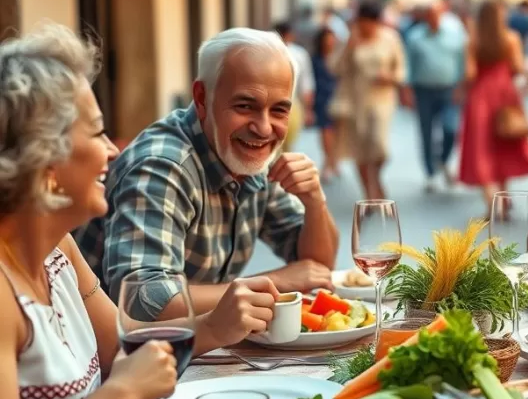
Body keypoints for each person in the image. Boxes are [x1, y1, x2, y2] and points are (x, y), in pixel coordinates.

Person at [0, 25, 288, 399]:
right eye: (95, 133)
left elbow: (123, 347)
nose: (113, 151)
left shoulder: (57, 252)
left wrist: (216, 329)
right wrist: (119, 396)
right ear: (44, 160)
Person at [75, 27, 340, 321]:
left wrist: (315, 200)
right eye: (245, 106)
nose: (264, 128)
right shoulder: (163, 166)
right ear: (202, 98)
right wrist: (275, 282)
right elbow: (141, 300)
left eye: (278, 110)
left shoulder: (248, 153)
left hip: (187, 348)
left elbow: (316, 268)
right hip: (107, 359)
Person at [458, 0, 528, 215]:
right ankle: (502, 199)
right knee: (503, 147)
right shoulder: (511, 38)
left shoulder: (473, 41)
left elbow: (469, 74)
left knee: (480, 150)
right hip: (505, 94)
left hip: (480, 98)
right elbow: (518, 68)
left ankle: (493, 205)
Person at [329, 0, 408, 199]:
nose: (366, 27)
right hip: (355, 100)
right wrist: (348, 48)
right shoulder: (349, 40)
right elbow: (334, 68)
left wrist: (389, 78)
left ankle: (375, 179)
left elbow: (401, 71)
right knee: (361, 150)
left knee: (379, 148)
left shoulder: (390, 39)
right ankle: (369, 194)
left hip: (382, 100)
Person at [406, 3, 468, 191]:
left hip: (449, 89)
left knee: (451, 128)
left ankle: (442, 159)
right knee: (426, 132)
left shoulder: (455, 34)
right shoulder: (415, 37)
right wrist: (407, 91)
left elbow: (462, 62)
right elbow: (409, 66)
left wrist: (461, 87)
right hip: (423, 90)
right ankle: (430, 172)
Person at [273, 21, 315, 150]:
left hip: (290, 105)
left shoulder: (298, 54)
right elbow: (306, 84)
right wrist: (308, 110)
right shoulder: (270, 53)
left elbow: (306, 84)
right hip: (288, 104)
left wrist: (308, 110)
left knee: (284, 145)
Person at [310, 26, 339, 181]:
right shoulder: (315, 59)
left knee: (336, 134)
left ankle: (333, 162)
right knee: (326, 133)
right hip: (322, 100)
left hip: (339, 99)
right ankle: (328, 164)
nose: (329, 43)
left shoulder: (339, 57)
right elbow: (311, 81)